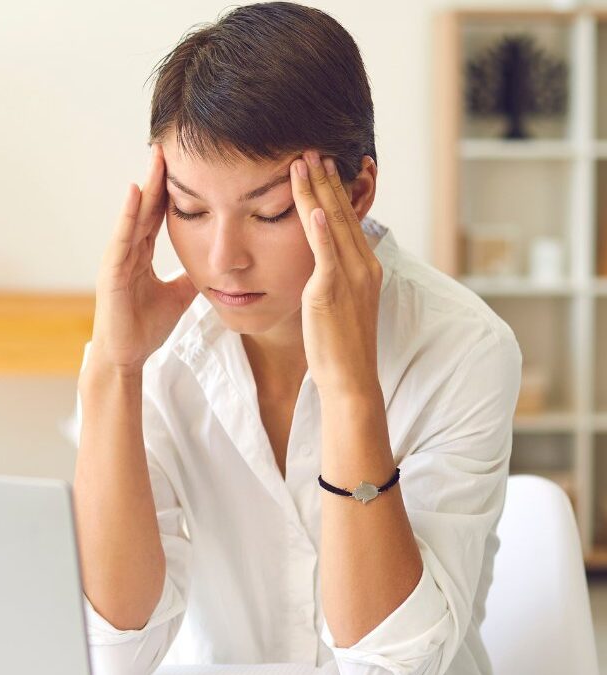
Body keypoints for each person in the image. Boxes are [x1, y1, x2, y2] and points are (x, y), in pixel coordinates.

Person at [69, 3, 522, 675]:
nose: (223, 257)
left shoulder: (461, 348)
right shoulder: (159, 352)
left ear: (359, 189)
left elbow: (393, 663)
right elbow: (113, 649)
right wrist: (114, 366)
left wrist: (349, 390)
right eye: (189, 209)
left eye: (270, 211)